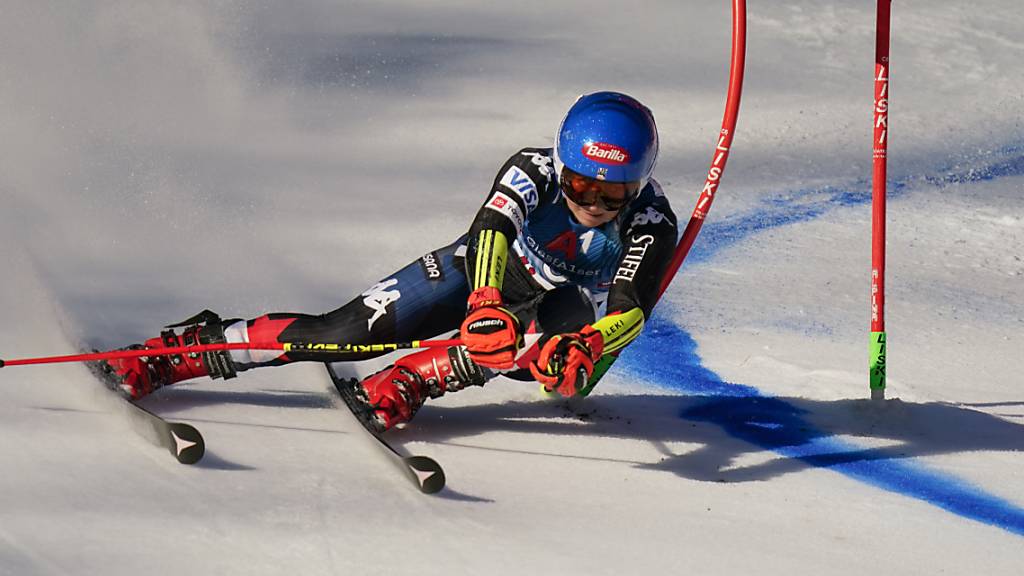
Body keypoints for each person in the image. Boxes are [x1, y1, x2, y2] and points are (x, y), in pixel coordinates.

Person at [100, 91, 679, 432]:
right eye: (580, 183)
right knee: (343, 333)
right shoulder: (532, 168)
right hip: (476, 270)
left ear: (641, 182)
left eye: (614, 192)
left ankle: (415, 376)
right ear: (561, 161)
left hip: (560, 318)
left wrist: (593, 345)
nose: (593, 202)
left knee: (563, 330)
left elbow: (630, 306)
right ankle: (180, 353)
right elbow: (492, 228)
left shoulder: (651, 220)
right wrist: (483, 302)